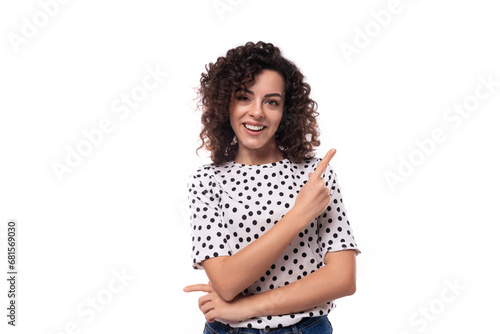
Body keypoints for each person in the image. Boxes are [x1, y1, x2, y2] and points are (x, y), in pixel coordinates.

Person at [183, 41, 360, 334]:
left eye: (272, 101)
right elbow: (226, 283)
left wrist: (246, 307)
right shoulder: (206, 181)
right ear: (225, 104)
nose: (257, 112)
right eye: (244, 97)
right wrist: (297, 217)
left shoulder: (315, 176)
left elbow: (343, 279)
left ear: (286, 111)